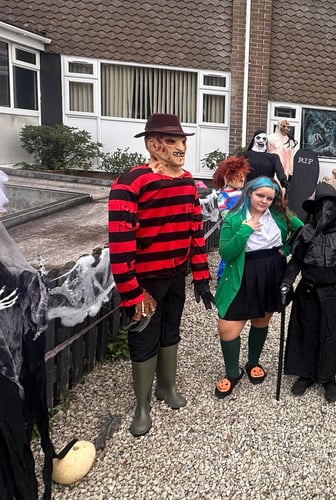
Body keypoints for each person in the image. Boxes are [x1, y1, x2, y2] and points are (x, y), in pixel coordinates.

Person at [108, 113, 215, 437]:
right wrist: (131, 292)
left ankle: (165, 388)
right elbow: (120, 243)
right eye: (172, 141)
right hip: (145, 281)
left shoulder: (187, 183)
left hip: (175, 276)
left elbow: (196, 232)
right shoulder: (130, 183)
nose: (180, 147)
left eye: (182, 140)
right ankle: (142, 405)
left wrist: (200, 275)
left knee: (171, 330)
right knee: (143, 337)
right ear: (153, 145)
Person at [212, 176, 303, 398]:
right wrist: (245, 230)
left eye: (269, 198)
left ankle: (254, 361)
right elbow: (226, 253)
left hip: (271, 272)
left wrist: (287, 247)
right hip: (241, 274)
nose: (264, 201)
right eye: (260, 195)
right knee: (227, 328)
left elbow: (302, 229)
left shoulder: (280, 216)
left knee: (261, 320)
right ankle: (232, 372)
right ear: (249, 193)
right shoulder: (234, 218)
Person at [280, 183, 336, 402]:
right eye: (322, 207)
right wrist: (287, 282)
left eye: (331, 207)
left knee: (330, 334)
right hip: (308, 292)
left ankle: (327, 377)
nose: (326, 212)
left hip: (333, 293)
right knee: (307, 331)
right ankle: (305, 374)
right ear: (315, 209)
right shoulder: (305, 232)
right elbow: (295, 261)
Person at [212, 156, 251, 281]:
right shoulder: (223, 195)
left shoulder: (243, 193)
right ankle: (222, 276)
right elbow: (224, 213)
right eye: (238, 175)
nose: (242, 178)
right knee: (229, 251)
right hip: (231, 227)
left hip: (245, 225)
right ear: (226, 176)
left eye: (243, 175)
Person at [243, 130, 289, 194]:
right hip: (249, 190)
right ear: (254, 139)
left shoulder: (273, 157)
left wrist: (284, 181)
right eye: (258, 138)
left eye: (264, 139)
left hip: (265, 190)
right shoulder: (244, 155)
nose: (261, 140)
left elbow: (280, 171)